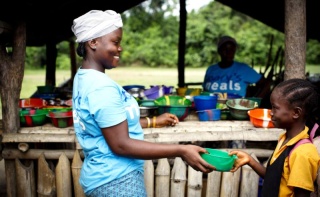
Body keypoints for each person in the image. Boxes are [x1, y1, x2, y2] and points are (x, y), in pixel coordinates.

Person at [71, 10, 215, 196]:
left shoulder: (84, 77)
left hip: (103, 176)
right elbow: (120, 144)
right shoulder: (101, 87)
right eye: (115, 42)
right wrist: (181, 150)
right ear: (93, 42)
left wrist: (152, 122)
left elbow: (110, 125)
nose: (120, 48)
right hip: (117, 181)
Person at [229, 78, 320, 196]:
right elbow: (273, 179)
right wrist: (250, 160)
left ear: (296, 113)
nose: (271, 113)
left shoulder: (302, 153)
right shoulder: (284, 139)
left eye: (275, 108)